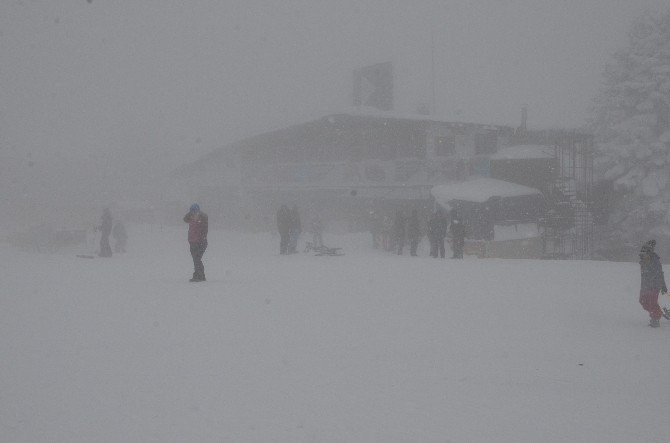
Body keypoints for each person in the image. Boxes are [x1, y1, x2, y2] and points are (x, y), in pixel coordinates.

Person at [638, 239, 667, 327]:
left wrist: (663, 286)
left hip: (654, 286)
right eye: (641, 253)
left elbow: (660, 273)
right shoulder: (643, 261)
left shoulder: (655, 260)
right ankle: (658, 312)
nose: (642, 255)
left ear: (649, 252)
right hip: (645, 286)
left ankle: (655, 319)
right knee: (643, 301)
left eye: (644, 253)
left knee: (652, 303)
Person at [183, 203, 208, 282]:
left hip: (200, 242)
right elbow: (185, 219)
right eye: (192, 212)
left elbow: (204, 231)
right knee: (196, 259)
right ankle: (199, 275)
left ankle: (199, 276)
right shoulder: (190, 218)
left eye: (195, 212)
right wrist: (190, 214)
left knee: (197, 259)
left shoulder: (202, 219)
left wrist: (202, 240)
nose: (194, 214)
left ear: (199, 212)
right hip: (192, 242)